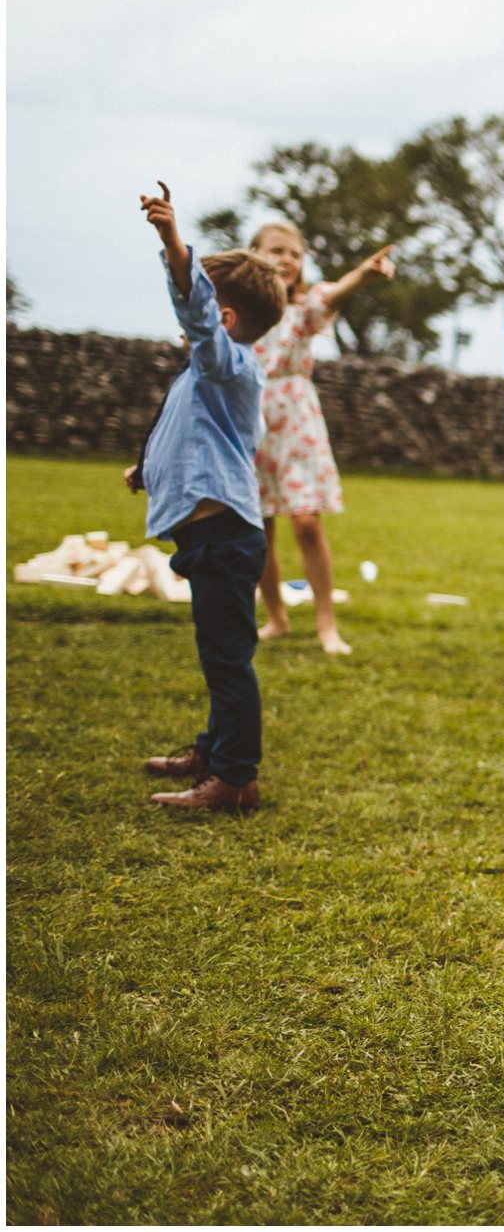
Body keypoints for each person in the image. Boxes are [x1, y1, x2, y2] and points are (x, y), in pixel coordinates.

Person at [126, 182, 289, 812]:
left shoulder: (233, 365)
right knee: (216, 650)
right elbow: (186, 433)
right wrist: (146, 467)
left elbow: (194, 311)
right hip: (210, 538)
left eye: (203, 310)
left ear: (222, 321)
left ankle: (235, 779)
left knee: (227, 658)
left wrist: (173, 243)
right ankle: (213, 748)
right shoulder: (207, 375)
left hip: (225, 540)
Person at [242, 224, 393, 655]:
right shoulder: (240, 309)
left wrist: (363, 273)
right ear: (254, 255)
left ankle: (327, 624)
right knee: (259, 529)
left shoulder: (303, 307)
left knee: (306, 522)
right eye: (277, 251)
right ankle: (276, 618)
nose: (288, 260)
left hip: (295, 421)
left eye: (295, 253)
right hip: (250, 419)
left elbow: (332, 295)